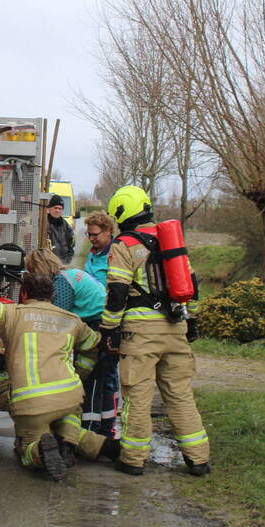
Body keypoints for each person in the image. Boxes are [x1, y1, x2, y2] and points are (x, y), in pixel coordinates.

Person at [0, 252, 119, 481]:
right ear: (52, 295)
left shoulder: (12, 315)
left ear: (25, 293)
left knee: (25, 449)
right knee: (68, 414)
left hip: (31, 404)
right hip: (68, 393)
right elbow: (94, 346)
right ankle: (97, 446)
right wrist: (81, 373)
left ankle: (39, 450)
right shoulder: (71, 319)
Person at [100, 186, 210, 477]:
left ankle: (133, 459)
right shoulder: (172, 241)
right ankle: (198, 459)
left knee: (138, 397)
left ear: (122, 212)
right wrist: (191, 322)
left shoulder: (124, 244)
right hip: (176, 326)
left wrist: (108, 328)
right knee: (180, 394)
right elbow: (192, 287)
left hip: (141, 333)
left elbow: (117, 293)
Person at [25, 248, 117, 437]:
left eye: (32, 271)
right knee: (103, 379)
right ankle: (106, 430)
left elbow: (58, 318)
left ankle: (90, 430)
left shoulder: (61, 282)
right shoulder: (70, 274)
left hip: (98, 325)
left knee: (93, 380)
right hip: (107, 325)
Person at [84, 212, 117, 286]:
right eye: (89, 234)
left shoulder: (116, 254)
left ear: (108, 232)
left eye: (95, 235)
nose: (91, 238)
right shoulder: (93, 252)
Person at [46, 194, 75, 265]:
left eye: (60, 208)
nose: (57, 210)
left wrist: (67, 261)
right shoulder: (43, 223)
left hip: (62, 265)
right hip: (46, 264)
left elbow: (71, 245)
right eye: (55, 208)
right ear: (49, 209)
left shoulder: (66, 226)